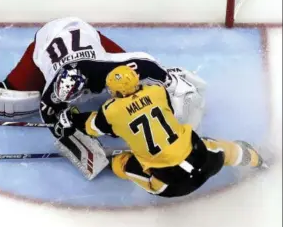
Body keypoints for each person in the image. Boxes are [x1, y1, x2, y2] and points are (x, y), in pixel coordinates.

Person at [0, 17, 206, 180]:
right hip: (46, 44)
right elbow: (74, 140)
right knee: (2, 105)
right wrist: (85, 139)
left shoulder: (126, 67)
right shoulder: (51, 95)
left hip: (93, 41)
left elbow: (165, 78)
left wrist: (176, 102)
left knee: (161, 94)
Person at [54, 65, 267, 196]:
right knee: (224, 149)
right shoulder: (157, 91)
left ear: (114, 91)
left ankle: (113, 163)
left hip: (170, 185)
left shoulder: (111, 110)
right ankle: (258, 160)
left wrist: (71, 118)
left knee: (123, 165)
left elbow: (93, 127)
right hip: (204, 162)